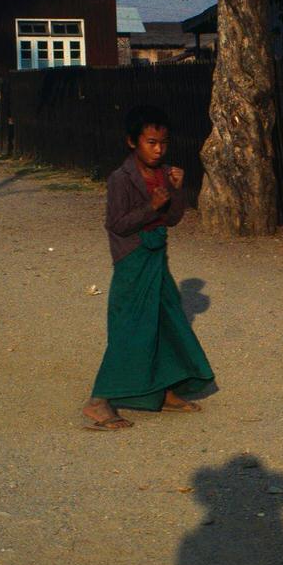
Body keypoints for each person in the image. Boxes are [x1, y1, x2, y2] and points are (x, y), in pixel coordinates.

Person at [82, 105, 214, 430]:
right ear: (132, 142)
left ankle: (164, 389)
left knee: (166, 322)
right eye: (151, 142)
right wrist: (150, 206)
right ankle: (99, 401)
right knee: (130, 328)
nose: (158, 149)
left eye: (163, 143)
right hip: (133, 260)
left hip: (157, 258)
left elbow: (171, 219)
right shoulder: (120, 179)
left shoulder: (163, 174)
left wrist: (176, 191)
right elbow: (117, 224)